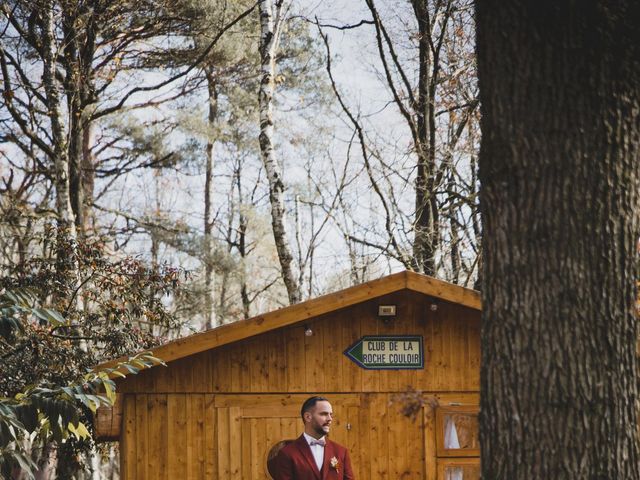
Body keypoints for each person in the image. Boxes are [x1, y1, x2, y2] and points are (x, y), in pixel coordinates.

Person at [268, 396, 354, 479]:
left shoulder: (341, 452)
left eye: (331, 414)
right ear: (308, 417)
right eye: (324, 414)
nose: (329, 419)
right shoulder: (287, 453)